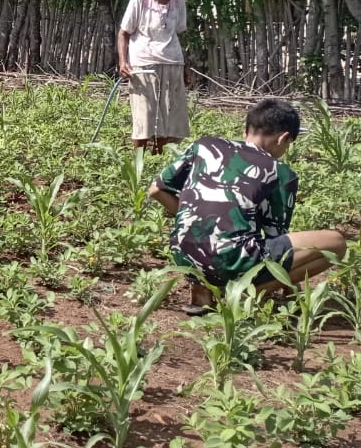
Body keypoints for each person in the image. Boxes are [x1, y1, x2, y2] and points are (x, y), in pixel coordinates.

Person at [148, 97, 346, 313]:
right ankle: (242, 293)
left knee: (221, 238)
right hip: (230, 259)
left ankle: (201, 290)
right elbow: (275, 236)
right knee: (336, 243)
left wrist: (197, 219)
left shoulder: (203, 146)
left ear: (246, 131)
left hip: (182, 254)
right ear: (284, 138)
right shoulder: (279, 172)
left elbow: (157, 189)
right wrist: (291, 286)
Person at [117, 0, 203, 153]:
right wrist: (123, 62)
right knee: (144, 115)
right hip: (144, 64)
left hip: (172, 63)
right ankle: (139, 161)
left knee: (169, 115)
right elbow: (124, 32)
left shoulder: (178, 0)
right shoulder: (140, 0)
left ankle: (158, 156)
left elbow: (176, 34)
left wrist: (184, 66)